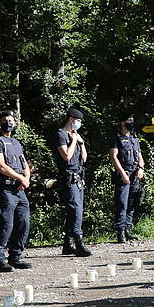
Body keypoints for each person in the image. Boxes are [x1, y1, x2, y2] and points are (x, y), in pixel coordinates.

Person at [0, 110, 34, 272]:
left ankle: (15, 256)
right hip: (6, 189)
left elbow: (24, 164)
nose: (8, 123)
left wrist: (26, 179)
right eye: (5, 120)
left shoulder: (16, 143)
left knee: (23, 222)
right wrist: (20, 178)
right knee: (5, 224)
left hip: (20, 189)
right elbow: (0, 166)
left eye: (11, 120)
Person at [56, 107, 92, 256]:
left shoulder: (76, 136)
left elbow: (84, 158)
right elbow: (66, 156)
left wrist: (81, 143)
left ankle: (67, 244)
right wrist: (74, 141)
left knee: (76, 211)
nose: (79, 124)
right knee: (75, 210)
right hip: (69, 177)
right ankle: (78, 242)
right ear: (71, 119)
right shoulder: (61, 134)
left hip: (78, 178)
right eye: (78, 121)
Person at [110, 111, 145, 243]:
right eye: (129, 120)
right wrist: (122, 173)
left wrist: (141, 168)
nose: (132, 123)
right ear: (122, 122)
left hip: (135, 174)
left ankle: (128, 229)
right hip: (123, 174)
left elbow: (140, 156)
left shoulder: (134, 138)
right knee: (122, 203)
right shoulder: (116, 138)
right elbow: (114, 157)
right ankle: (120, 232)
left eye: (132, 120)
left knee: (132, 203)